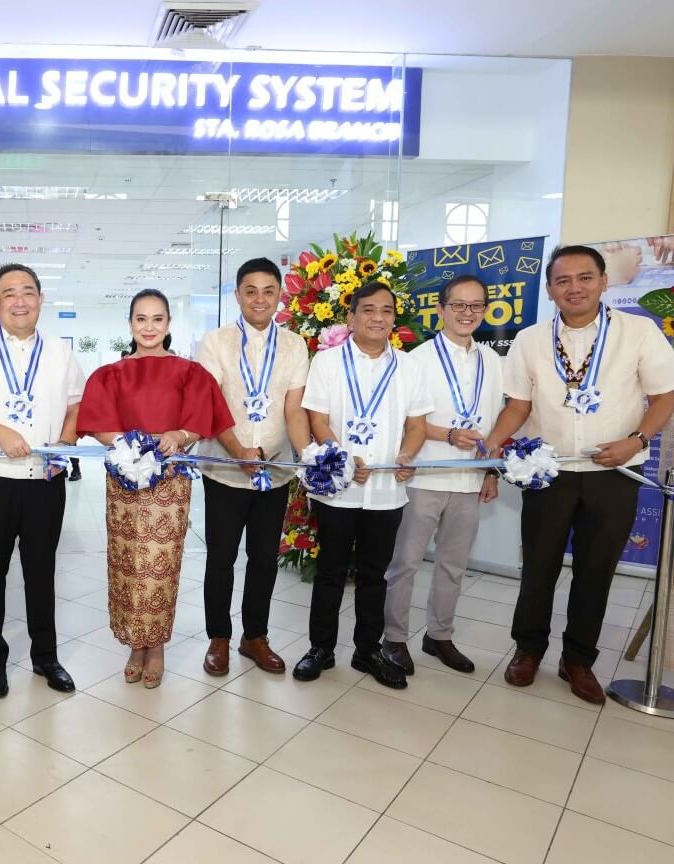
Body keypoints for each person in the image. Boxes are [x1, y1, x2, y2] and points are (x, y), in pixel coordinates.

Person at [483, 245, 674, 704]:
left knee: (596, 569)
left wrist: (638, 440)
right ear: (550, 290)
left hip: (616, 472)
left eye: (585, 278)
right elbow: (518, 406)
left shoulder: (639, 332)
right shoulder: (530, 340)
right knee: (539, 567)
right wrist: (493, 444)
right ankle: (528, 649)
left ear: (604, 281)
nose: (575, 288)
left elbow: (665, 396)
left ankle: (578, 660)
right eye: (563, 280)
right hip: (548, 473)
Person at [78, 289, 233, 687]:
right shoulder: (109, 374)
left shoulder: (189, 372)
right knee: (128, 563)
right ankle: (134, 642)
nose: (149, 327)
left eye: (157, 319)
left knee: (160, 567)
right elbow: (97, 423)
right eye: (141, 319)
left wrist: (179, 435)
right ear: (130, 324)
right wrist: (126, 445)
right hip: (125, 482)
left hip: (169, 485)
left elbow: (200, 421)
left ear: (168, 324)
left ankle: (157, 644)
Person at [0, 263, 85, 698]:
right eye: (9, 293)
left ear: (41, 300)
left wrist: (64, 440)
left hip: (44, 480)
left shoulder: (60, 351)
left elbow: (76, 405)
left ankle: (46, 657)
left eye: (28, 292)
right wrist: (0, 432)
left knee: (42, 571)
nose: (19, 300)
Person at [294, 282, 433, 690]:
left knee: (376, 574)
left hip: (386, 492)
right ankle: (321, 648)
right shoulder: (328, 362)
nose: (377, 317)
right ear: (351, 317)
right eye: (368, 309)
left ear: (394, 319)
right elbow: (317, 419)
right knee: (331, 571)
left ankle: (367, 649)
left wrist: (407, 455)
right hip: (338, 488)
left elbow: (417, 425)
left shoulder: (409, 366)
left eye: (386, 310)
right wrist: (341, 458)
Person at [381, 275, 504, 676]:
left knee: (453, 566)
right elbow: (403, 420)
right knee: (406, 564)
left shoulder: (493, 361)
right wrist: (448, 434)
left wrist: (491, 472)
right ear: (441, 310)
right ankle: (395, 639)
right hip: (424, 477)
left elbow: (499, 419)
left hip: (469, 481)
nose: (467, 313)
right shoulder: (416, 360)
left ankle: (439, 635)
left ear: (485, 311)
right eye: (458, 305)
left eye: (476, 306)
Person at [195, 258, 311, 677]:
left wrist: (306, 456)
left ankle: (254, 636)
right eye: (250, 290)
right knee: (221, 557)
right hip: (225, 468)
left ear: (280, 294)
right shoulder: (216, 342)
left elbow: (294, 410)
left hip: (274, 472)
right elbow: (211, 404)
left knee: (264, 557)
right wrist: (238, 449)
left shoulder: (295, 345)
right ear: (238, 295)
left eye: (268, 290)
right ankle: (219, 638)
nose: (259, 299)